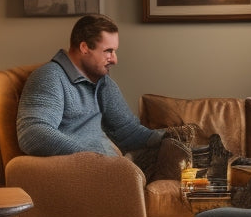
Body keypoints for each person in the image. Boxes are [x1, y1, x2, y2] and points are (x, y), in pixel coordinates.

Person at [17, 14, 165, 157]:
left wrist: (171, 137)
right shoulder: (50, 77)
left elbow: (128, 132)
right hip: (83, 172)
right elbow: (32, 133)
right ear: (84, 48)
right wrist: (92, 158)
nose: (114, 60)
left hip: (114, 168)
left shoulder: (102, 82)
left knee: (178, 153)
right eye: (108, 51)